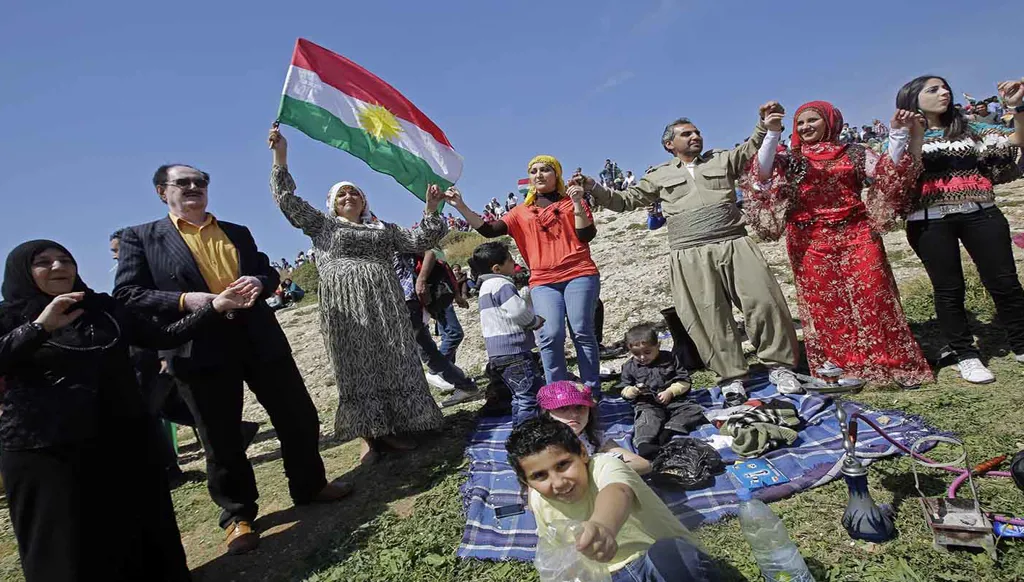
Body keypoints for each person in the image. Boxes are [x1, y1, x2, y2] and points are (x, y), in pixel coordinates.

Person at [115, 161, 352, 555]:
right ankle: (238, 515)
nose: (194, 187)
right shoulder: (141, 238)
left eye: (200, 182)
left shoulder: (237, 231)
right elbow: (127, 295)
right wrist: (186, 300)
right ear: (162, 192)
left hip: (259, 338)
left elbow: (267, 272)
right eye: (183, 183)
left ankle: (310, 485)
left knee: (297, 414)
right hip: (198, 346)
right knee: (219, 437)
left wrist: (259, 282)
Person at [0, 240, 252, 581]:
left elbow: (162, 335)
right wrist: (39, 327)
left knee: (138, 525)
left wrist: (215, 307)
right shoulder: (9, 316)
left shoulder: (102, 307)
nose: (59, 268)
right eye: (43, 263)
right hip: (47, 448)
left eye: (65, 259)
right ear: (22, 272)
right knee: (65, 542)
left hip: (122, 434)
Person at [581, 103, 801, 406]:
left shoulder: (722, 159)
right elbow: (624, 201)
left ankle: (780, 367)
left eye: (697, 132)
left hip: (734, 242)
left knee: (764, 302)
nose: (695, 136)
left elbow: (752, 149)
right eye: (686, 134)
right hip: (689, 253)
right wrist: (594, 186)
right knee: (709, 316)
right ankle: (732, 377)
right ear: (670, 144)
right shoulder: (658, 176)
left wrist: (765, 123)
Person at [268, 128, 459, 465]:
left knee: (393, 357)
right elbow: (288, 202)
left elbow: (419, 241)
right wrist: (280, 156)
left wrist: (431, 207)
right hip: (345, 307)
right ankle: (370, 436)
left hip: (384, 303)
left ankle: (404, 424)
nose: (349, 198)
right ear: (332, 203)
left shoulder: (383, 229)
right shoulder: (323, 226)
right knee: (355, 363)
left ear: (364, 200)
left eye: (354, 193)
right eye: (342, 195)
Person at [743, 101, 934, 387]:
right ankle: (844, 369)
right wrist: (772, 132)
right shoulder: (790, 158)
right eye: (801, 123)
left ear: (831, 122)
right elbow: (762, 172)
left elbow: (887, 172)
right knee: (826, 305)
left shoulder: (855, 153)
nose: (806, 127)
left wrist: (896, 133)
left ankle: (891, 364)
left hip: (857, 232)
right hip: (809, 239)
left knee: (874, 296)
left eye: (813, 121)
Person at [883, 75, 1024, 383]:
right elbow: (899, 176)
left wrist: (1017, 106)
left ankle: (1021, 343)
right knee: (949, 290)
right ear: (912, 99)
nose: (943, 92)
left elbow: (1016, 140)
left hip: (981, 212)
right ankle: (966, 355)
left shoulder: (971, 128)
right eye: (932, 89)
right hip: (929, 221)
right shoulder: (898, 136)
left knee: (1005, 282)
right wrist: (915, 135)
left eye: (944, 86)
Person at [446, 156, 603, 395]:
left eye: (545, 170)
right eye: (534, 171)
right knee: (550, 334)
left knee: (581, 331)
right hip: (543, 280)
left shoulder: (571, 203)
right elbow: (489, 230)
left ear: (556, 175)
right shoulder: (520, 212)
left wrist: (579, 203)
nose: (539, 175)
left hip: (579, 273)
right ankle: (557, 394)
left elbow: (586, 235)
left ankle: (592, 390)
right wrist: (461, 206)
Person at [506, 418, 716, 580]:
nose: (558, 482)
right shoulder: (540, 502)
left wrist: (602, 526)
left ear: (582, 453)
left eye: (563, 465)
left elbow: (618, 492)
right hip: (604, 577)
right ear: (526, 482)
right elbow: (559, 553)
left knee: (670, 553)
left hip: (654, 564)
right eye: (539, 476)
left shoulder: (605, 465)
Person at [469, 241, 546, 426]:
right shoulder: (502, 284)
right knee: (527, 397)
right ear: (497, 268)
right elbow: (517, 312)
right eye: (510, 260)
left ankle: (521, 429)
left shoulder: (485, 288)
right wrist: (535, 321)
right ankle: (527, 434)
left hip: (497, 352)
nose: (514, 263)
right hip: (515, 351)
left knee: (519, 396)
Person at [618, 324, 706, 460]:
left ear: (658, 346)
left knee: (694, 410)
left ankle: (667, 431)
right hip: (648, 403)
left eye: (647, 352)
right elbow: (624, 390)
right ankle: (644, 444)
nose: (642, 357)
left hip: (675, 401)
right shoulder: (629, 367)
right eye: (636, 354)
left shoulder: (670, 358)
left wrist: (670, 392)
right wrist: (635, 390)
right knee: (646, 419)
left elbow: (685, 381)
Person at [538, 381, 650, 475]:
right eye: (563, 408)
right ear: (547, 413)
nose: (574, 414)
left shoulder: (594, 438)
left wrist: (603, 471)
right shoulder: (539, 445)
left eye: (580, 407)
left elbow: (643, 464)